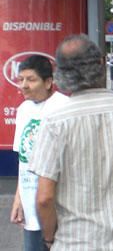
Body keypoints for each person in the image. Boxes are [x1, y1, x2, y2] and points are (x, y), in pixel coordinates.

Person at [29, 34, 113, 250]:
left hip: (74, 243)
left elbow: (44, 198)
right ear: (101, 65)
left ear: (60, 74)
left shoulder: (55, 122)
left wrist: (49, 239)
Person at [10, 55, 68, 251]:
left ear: (49, 82)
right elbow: (23, 160)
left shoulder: (64, 108)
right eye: (21, 79)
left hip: (60, 209)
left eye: (31, 79)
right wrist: (19, 198)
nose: (23, 85)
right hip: (31, 207)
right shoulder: (23, 110)